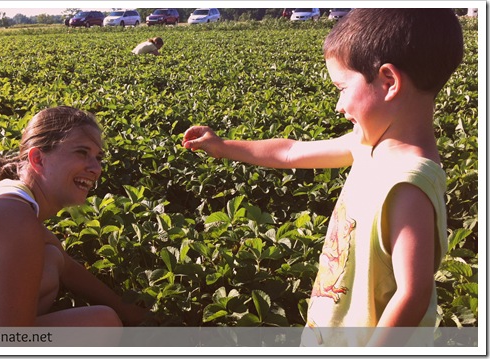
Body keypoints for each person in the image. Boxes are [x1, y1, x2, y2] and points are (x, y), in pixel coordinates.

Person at [182, 9, 463, 346]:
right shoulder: (367, 145)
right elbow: (290, 153)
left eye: (341, 88)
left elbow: (413, 295)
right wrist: (223, 146)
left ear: (388, 82)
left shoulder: (408, 183)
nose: (338, 106)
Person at [0, 106, 149, 327]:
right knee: (102, 323)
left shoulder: (9, 197)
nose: (96, 168)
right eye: (81, 152)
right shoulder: (16, 219)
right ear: (38, 159)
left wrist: (130, 311)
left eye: (98, 158)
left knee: (52, 259)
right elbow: (9, 343)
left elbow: (66, 266)